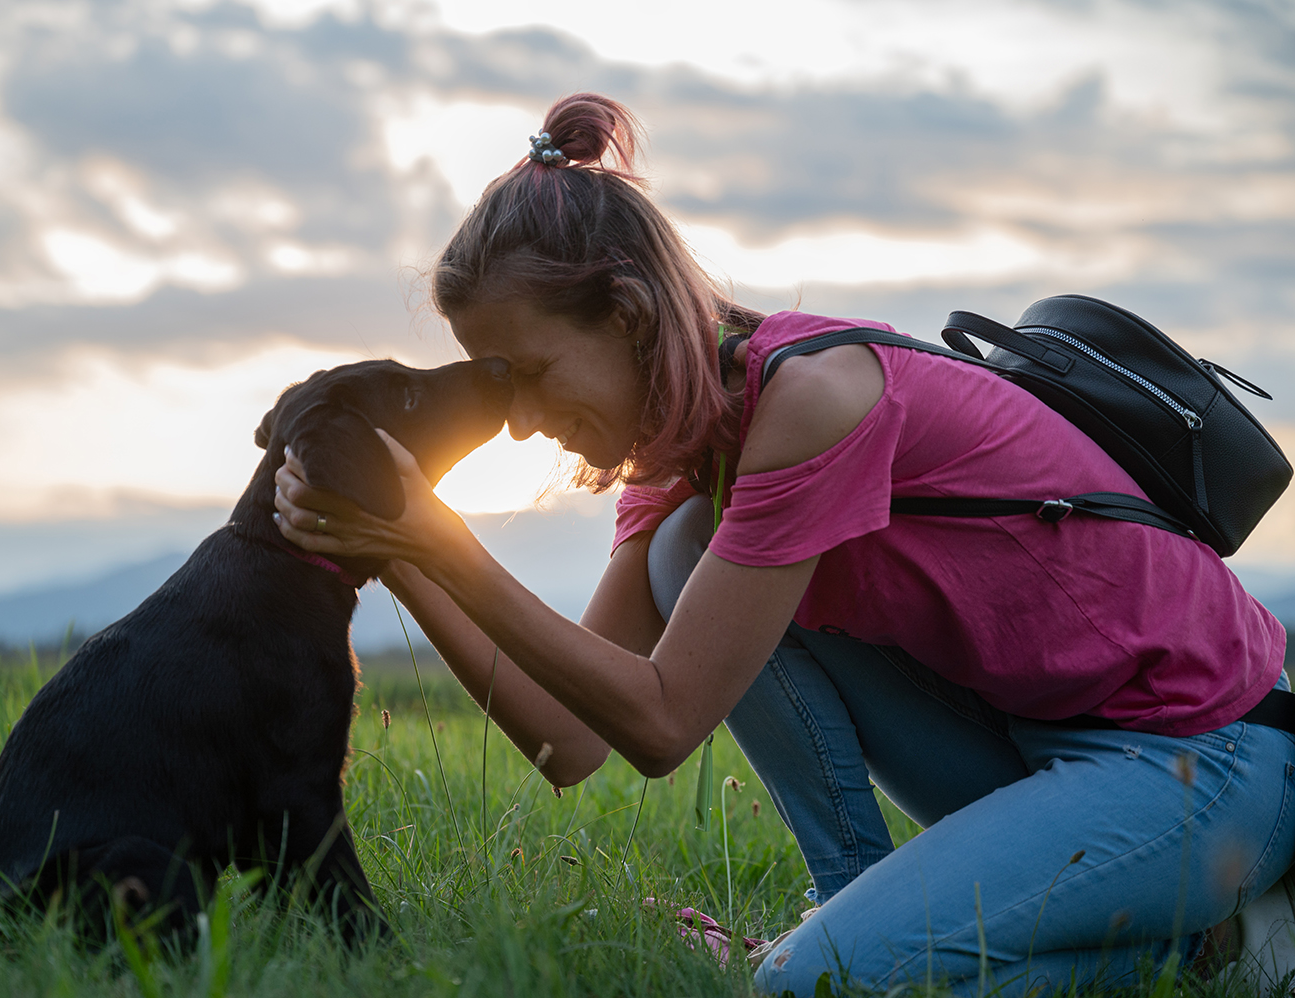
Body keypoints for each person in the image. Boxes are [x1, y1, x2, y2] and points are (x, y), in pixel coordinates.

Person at [271, 93, 1295, 996]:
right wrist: (395, 542)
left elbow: (665, 723)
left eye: (531, 371)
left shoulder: (816, 397)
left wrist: (442, 546)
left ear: (627, 315)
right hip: (1040, 745)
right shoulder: (680, 459)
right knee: (685, 550)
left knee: (813, 983)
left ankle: (1213, 949)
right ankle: (851, 902)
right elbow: (568, 741)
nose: (525, 420)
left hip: (1201, 758)